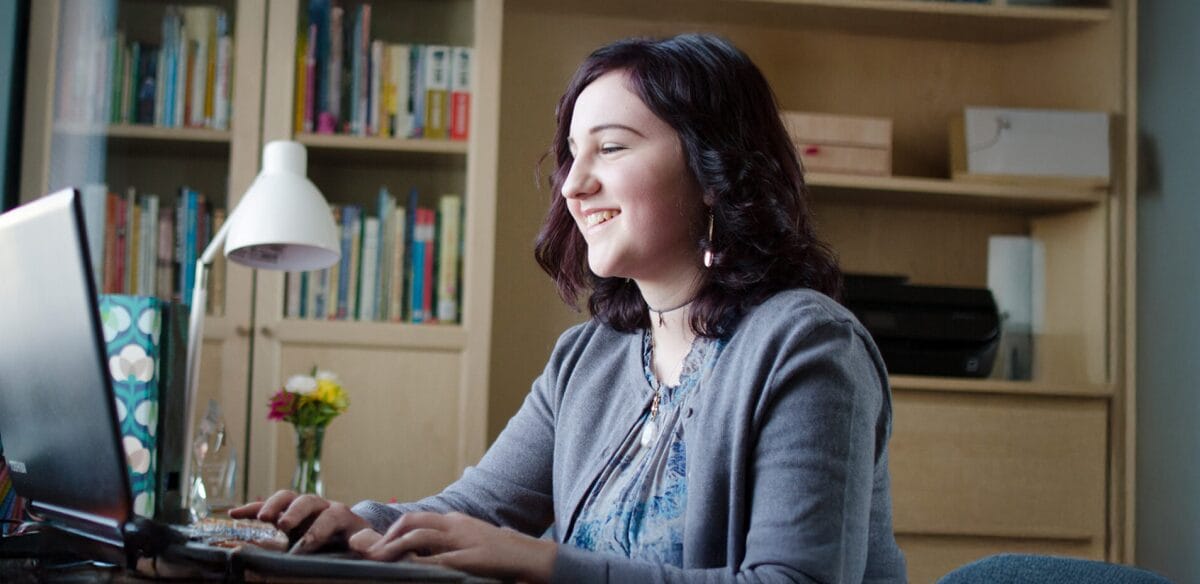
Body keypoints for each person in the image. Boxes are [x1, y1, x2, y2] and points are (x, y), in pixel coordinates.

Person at [231, 33, 908, 583]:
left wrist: (545, 562)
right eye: (571, 155)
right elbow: (471, 510)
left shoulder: (810, 347)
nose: (575, 185)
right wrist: (354, 524)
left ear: (714, 171)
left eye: (610, 147)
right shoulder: (592, 355)